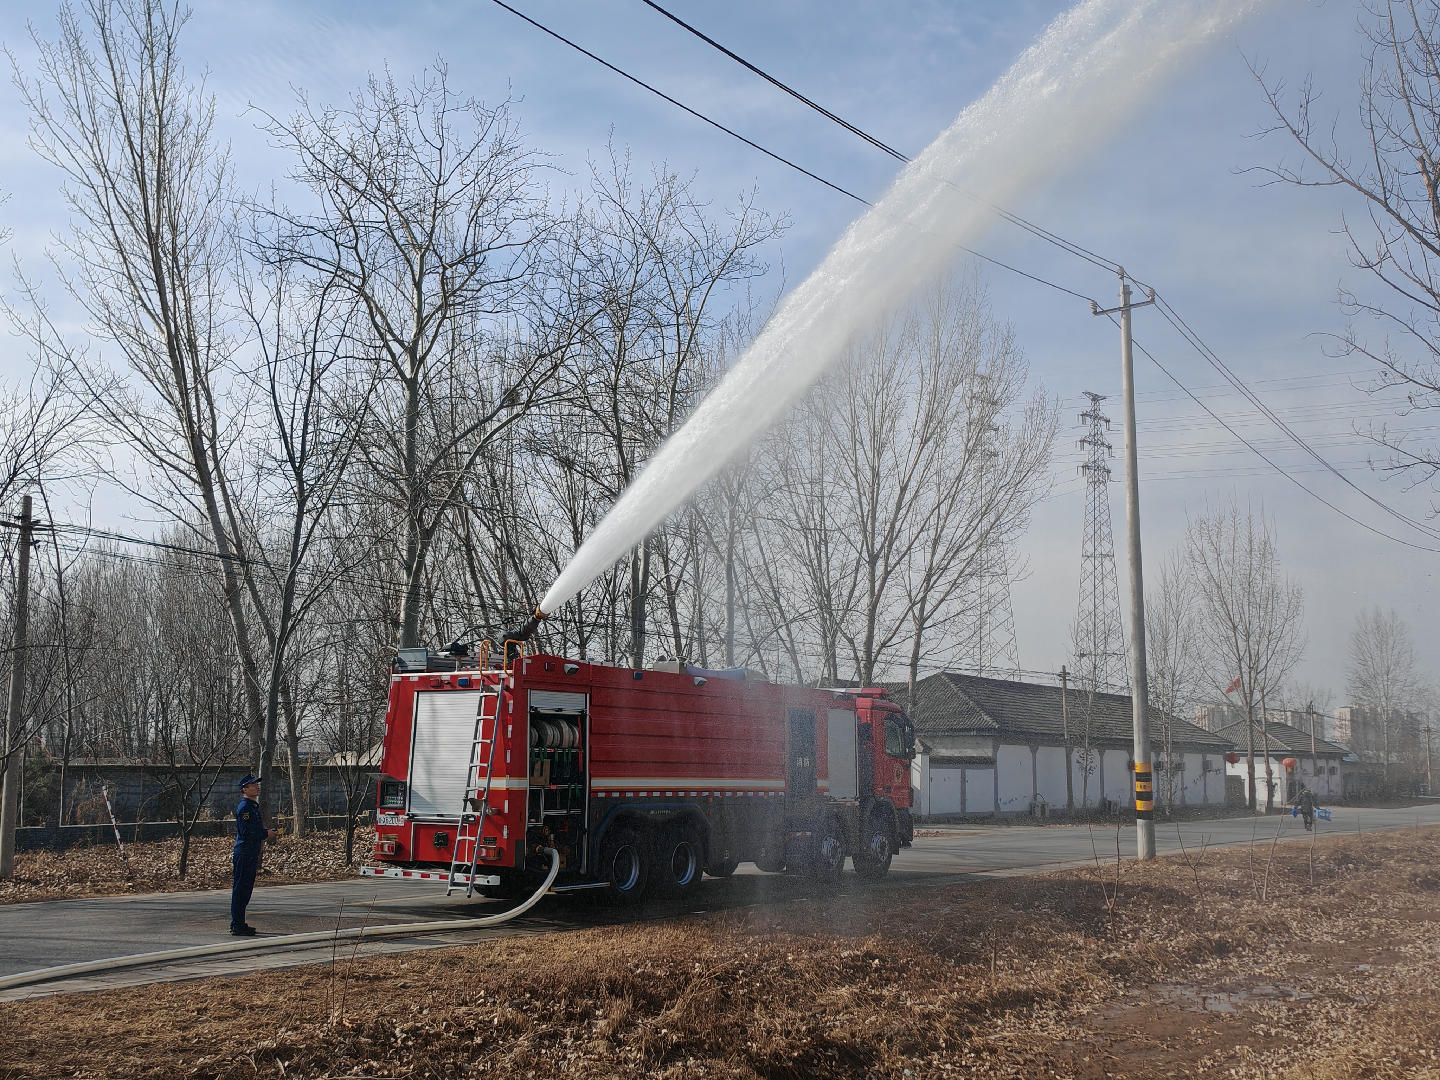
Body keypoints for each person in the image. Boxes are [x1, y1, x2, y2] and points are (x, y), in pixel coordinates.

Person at [230, 774, 275, 935]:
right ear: (244, 789)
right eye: (253, 785)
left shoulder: (252, 806)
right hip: (244, 852)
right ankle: (236, 924)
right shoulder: (245, 808)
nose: (257, 787)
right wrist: (265, 834)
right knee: (241, 889)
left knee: (246, 889)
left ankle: (240, 922)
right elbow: (246, 832)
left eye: (256, 784)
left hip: (250, 852)